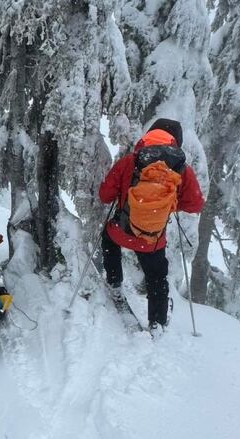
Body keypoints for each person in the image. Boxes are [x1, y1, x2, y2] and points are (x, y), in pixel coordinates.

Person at [98, 118, 204, 336]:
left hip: (123, 230)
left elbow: (104, 195)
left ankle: (115, 284)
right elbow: (195, 205)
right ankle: (157, 322)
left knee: (108, 238)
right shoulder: (181, 169)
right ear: (176, 141)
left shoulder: (130, 161)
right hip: (152, 239)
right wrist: (168, 204)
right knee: (157, 277)